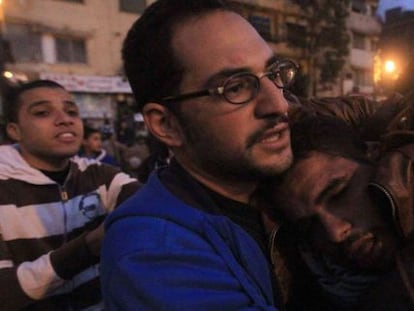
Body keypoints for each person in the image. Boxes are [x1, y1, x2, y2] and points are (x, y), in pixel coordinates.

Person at [100, 0, 299, 310]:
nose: (278, 105)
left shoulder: (261, 181)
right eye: (235, 88)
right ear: (166, 124)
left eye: (274, 73)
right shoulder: (152, 252)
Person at [0, 79, 140, 310]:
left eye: (71, 111)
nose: (65, 119)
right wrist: (88, 247)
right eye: (43, 112)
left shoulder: (98, 174)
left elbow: (152, 201)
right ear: (15, 130)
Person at [263, 114, 414, 310]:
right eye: (310, 225)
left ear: (375, 155)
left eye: (338, 195)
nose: (334, 234)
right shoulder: (310, 293)